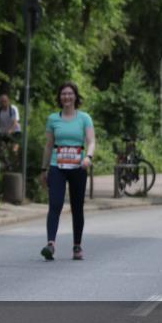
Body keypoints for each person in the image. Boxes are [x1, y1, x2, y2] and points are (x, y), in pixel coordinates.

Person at [40, 82, 95, 261]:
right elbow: (48, 145)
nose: (67, 97)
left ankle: (77, 246)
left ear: (75, 97)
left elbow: (91, 141)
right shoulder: (53, 119)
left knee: (77, 207)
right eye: (63, 94)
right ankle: (51, 244)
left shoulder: (84, 118)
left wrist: (89, 157)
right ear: (60, 97)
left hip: (78, 167)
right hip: (58, 166)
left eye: (70, 94)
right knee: (55, 204)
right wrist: (44, 168)